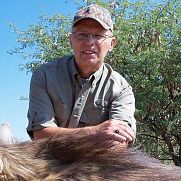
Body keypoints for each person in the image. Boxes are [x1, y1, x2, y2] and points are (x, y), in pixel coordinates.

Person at [27, 4, 136, 146]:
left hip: (99, 164)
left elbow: (119, 142)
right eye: (82, 35)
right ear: (70, 40)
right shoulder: (44, 76)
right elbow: (41, 134)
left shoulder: (121, 88)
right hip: (49, 163)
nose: (89, 42)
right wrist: (96, 132)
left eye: (98, 35)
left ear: (112, 43)